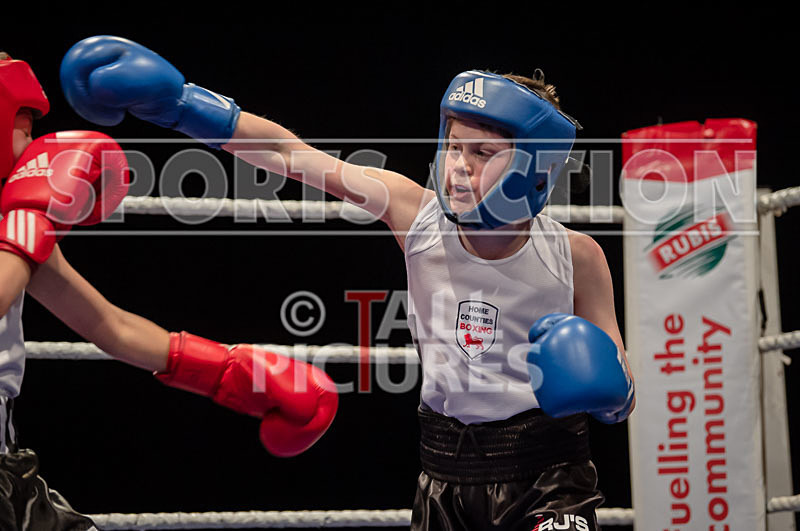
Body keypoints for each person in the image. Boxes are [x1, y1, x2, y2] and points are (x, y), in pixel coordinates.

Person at [60, 36, 635, 531]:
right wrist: (183, 105)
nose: (459, 166)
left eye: (483, 152)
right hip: (444, 473)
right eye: (455, 146)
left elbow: (624, 390)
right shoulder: (415, 214)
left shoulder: (576, 256)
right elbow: (292, 155)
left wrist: (606, 386)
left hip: (550, 475)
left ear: (535, 166)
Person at [0, 53, 338, 531]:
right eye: (22, 118)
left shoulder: (12, 225)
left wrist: (225, 371)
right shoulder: (20, 227)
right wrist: (30, 221)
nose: (32, 134)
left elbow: (107, 324)